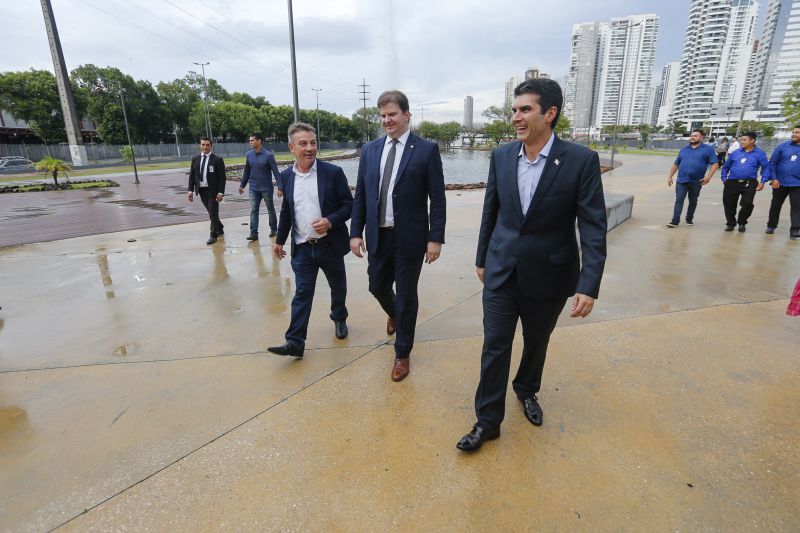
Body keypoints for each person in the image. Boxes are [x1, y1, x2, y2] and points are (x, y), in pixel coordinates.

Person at [456, 78, 607, 452]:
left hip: (550, 274)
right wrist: (481, 258)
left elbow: (592, 226)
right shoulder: (502, 156)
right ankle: (487, 422)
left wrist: (589, 283)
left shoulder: (580, 161)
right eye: (514, 109)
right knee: (495, 345)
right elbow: (491, 209)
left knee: (536, 342)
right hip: (502, 269)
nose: (516, 118)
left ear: (549, 114)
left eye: (525, 109)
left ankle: (526, 390)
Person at [350, 90, 446, 382]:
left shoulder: (426, 149)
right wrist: (355, 233)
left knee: (406, 296)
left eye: (392, 114)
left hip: (410, 239)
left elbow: (437, 198)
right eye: (382, 115)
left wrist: (435, 238)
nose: (386, 120)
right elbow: (362, 195)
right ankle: (394, 314)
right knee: (376, 286)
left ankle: (402, 353)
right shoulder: (370, 150)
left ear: (406, 115)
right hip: (378, 235)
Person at [267, 123, 353, 358]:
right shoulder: (286, 177)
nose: (309, 148)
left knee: (338, 287)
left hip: (329, 244)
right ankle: (295, 341)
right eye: (303, 143)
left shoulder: (332, 173)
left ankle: (339, 317)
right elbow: (287, 211)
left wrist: (329, 221)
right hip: (303, 248)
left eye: (313, 143)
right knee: (302, 293)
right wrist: (279, 240)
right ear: (291, 147)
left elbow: (349, 205)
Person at [666, 129, 719, 227]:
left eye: (695, 136)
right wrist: (670, 177)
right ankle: (675, 221)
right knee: (679, 199)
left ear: (701, 137)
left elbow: (715, 164)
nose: (692, 137)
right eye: (691, 135)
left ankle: (689, 218)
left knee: (693, 200)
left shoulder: (708, 149)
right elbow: (676, 164)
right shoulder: (684, 150)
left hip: (697, 181)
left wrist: (708, 177)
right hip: (682, 180)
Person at [720, 131, 771, 232]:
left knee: (747, 204)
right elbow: (725, 167)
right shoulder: (735, 153)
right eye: (741, 140)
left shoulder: (760, 154)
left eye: (744, 140)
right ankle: (730, 223)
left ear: (752, 140)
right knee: (729, 203)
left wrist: (763, 182)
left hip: (750, 182)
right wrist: (724, 179)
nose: (741, 142)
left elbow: (766, 168)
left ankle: (742, 222)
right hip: (732, 182)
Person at [239, 133, 283, 241]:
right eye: (250, 141)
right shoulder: (249, 155)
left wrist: (280, 188)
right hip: (253, 188)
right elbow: (247, 171)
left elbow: (276, 172)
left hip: (266, 188)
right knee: (254, 210)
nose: (250, 142)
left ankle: (274, 229)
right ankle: (253, 233)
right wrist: (242, 185)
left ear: (259, 141)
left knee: (270, 209)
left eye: (252, 140)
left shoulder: (268, 155)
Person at [187, 137, 226, 245]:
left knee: (213, 212)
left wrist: (221, 192)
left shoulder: (217, 160)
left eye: (207, 145)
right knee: (211, 212)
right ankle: (220, 227)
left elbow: (222, 178)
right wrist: (190, 190)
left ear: (211, 146)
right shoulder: (195, 159)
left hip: (213, 191)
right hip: (202, 190)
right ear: (200, 145)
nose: (205, 147)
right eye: (203, 144)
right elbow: (192, 176)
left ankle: (213, 235)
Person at [765, 125, 800, 239]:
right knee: (775, 205)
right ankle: (771, 226)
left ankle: (795, 229)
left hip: (797, 184)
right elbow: (773, 162)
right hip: (780, 182)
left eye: (797, 132)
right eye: (793, 132)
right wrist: (774, 178)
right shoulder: (782, 147)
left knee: (797, 207)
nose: (794, 134)